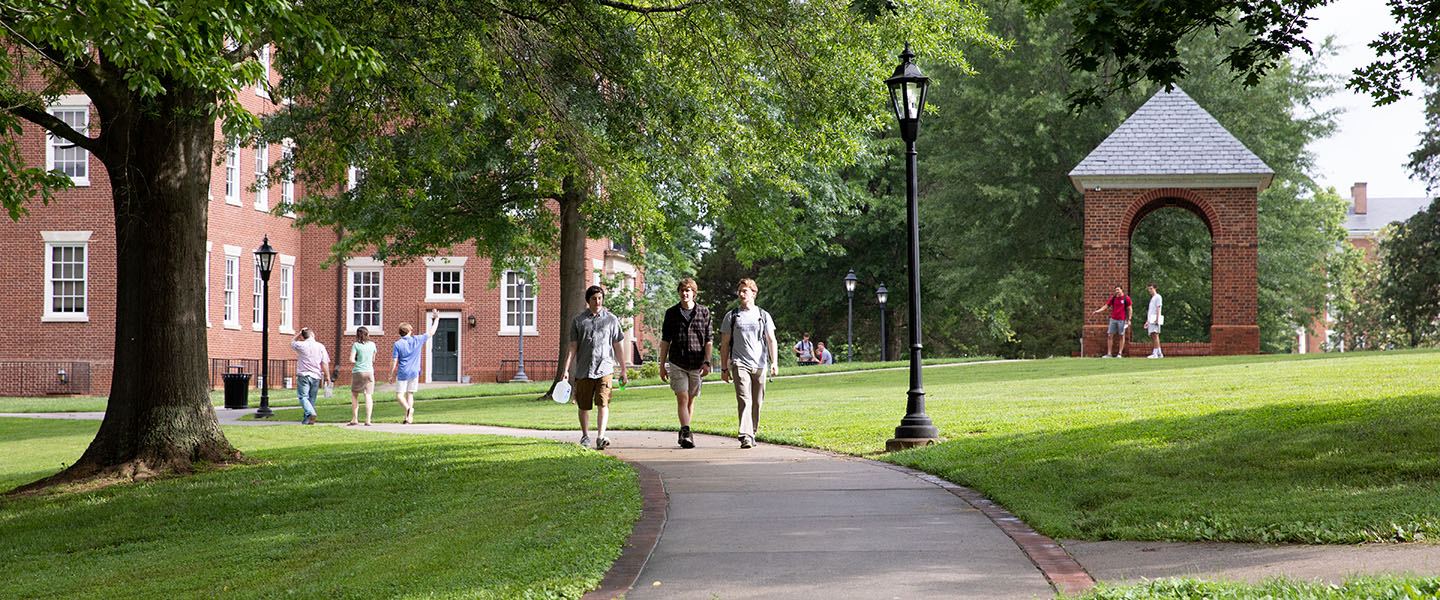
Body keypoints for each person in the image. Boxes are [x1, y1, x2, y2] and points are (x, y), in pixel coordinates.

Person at [561, 285, 629, 450]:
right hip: (584, 370)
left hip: (605, 369)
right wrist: (565, 371)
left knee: (603, 403)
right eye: (594, 298)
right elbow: (572, 347)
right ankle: (585, 436)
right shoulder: (578, 321)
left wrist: (623, 369)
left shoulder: (611, 320)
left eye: (600, 298)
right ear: (588, 300)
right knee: (583, 406)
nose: (597, 301)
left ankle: (600, 436)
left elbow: (618, 346)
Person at [720, 278, 778, 449]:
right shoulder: (732, 316)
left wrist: (774, 362)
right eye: (740, 291)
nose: (741, 294)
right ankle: (745, 435)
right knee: (744, 399)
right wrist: (724, 367)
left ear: (754, 293)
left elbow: (771, 340)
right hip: (739, 363)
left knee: (757, 402)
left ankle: (752, 432)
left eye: (745, 291)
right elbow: (724, 344)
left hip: (760, 364)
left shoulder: (763, 315)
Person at [659, 278, 712, 449]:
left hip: (696, 363)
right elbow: (665, 341)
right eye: (682, 290)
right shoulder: (671, 313)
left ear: (694, 293)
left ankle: (684, 433)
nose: (684, 293)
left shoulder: (704, 312)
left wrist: (707, 362)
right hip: (677, 362)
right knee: (681, 397)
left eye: (688, 290)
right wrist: (662, 366)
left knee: (690, 399)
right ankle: (686, 431)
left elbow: (709, 340)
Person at [389, 309, 439, 424]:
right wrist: (436, 319)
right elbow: (431, 332)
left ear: (400, 332)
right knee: (410, 393)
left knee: (399, 395)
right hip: (415, 371)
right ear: (410, 330)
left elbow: (394, 360)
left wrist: (390, 374)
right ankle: (409, 417)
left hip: (403, 372)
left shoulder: (398, 344)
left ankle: (408, 410)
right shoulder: (417, 340)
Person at [290, 327, 331, 425]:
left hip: (303, 374)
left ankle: (310, 413)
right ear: (313, 335)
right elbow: (325, 363)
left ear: (303, 337)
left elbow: (292, 342)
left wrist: (299, 334)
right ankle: (307, 420)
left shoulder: (301, 345)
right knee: (311, 398)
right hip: (316, 375)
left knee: (303, 397)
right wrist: (327, 376)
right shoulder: (320, 346)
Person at [1091, 285, 1132, 358]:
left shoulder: (1126, 298)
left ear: (1122, 290)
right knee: (1110, 335)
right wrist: (1098, 311)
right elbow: (1106, 306)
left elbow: (1130, 309)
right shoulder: (1113, 298)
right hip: (1113, 319)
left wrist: (1129, 319)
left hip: (1122, 320)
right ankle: (1109, 353)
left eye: (1118, 290)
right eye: (1115, 290)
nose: (1116, 291)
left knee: (1121, 336)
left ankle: (1119, 353)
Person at [348, 326, 377, 425]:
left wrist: (358, 360)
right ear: (367, 334)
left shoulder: (356, 345)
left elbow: (351, 359)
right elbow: (373, 359)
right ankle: (368, 419)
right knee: (368, 395)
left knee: (354, 394)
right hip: (369, 371)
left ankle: (355, 418)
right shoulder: (372, 345)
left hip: (358, 371)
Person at [1145, 283, 1164, 358]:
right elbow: (1150, 310)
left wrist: (1157, 318)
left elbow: (1158, 307)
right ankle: (1159, 352)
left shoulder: (1158, 297)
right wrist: (1147, 321)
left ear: (1155, 289)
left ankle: (1155, 353)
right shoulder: (1152, 298)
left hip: (1154, 318)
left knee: (1155, 334)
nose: (1150, 290)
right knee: (1152, 335)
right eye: (1149, 289)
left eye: (1151, 289)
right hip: (1150, 319)